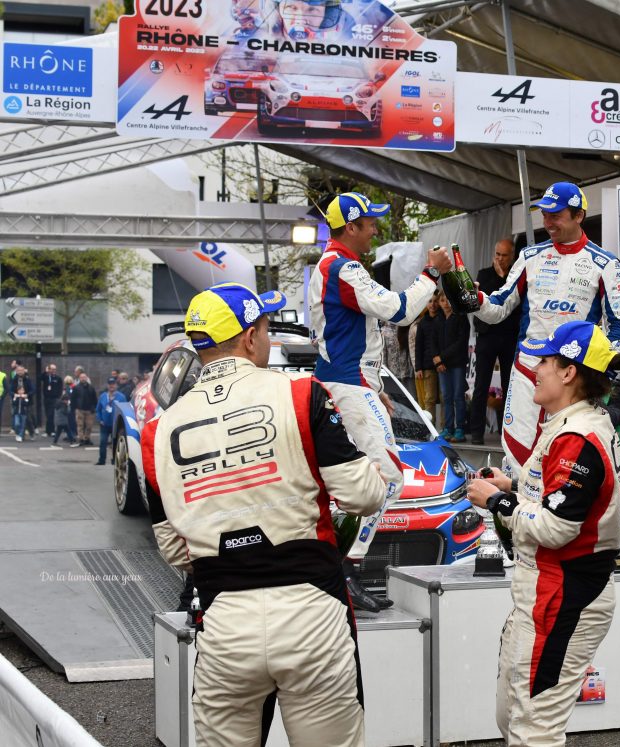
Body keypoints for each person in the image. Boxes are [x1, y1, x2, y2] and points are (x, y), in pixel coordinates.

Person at [142, 282, 387, 747]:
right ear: (251, 337)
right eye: (265, 328)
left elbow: (173, 547)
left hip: (223, 622)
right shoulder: (301, 394)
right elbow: (363, 497)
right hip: (312, 612)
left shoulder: (158, 431)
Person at [467, 321, 620, 747]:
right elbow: (554, 498)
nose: (534, 368)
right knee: (513, 719)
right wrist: (512, 488)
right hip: (547, 591)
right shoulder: (572, 422)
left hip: (565, 594)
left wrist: (498, 503)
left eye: (545, 359)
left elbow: (557, 527)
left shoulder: (579, 434)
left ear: (569, 372)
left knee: (533, 731)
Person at [308, 191, 452, 611]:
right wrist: (431, 273)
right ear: (350, 226)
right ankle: (343, 569)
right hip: (346, 383)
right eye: (370, 221)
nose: (376, 228)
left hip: (354, 382)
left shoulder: (333, 265)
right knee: (386, 477)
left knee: (367, 479)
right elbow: (401, 311)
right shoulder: (343, 267)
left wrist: (375, 386)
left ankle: (338, 567)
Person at [471, 182, 620, 475]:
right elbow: (498, 307)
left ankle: (558, 518)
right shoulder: (529, 256)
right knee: (518, 457)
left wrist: (596, 370)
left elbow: (619, 328)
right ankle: (516, 515)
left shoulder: (605, 263)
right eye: (544, 214)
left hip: (573, 376)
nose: (548, 222)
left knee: (566, 459)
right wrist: (475, 299)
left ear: (578, 215)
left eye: (556, 214)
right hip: (528, 370)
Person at [468, 238, 520, 445]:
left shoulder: (516, 277)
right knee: (481, 386)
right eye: (497, 254)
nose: (499, 258)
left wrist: (504, 277)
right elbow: (485, 297)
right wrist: (499, 277)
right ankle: (477, 434)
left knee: (509, 387)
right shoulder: (484, 274)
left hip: (508, 336)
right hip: (487, 336)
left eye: (504, 255)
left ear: (512, 256)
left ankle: (506, 432)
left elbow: (514, 302)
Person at [432, 293, 470, 442]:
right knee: (446, 397)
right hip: (443, 366)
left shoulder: (461, 318)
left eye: (448, 299)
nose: (446, 303)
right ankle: (448, 428)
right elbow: (432, 342)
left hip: (457, 364)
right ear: (440, 303)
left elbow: (461, 343)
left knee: (458, 396)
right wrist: (438, 361)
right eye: (442, 300)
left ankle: (460, 428)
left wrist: (442, 357)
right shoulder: (438, 320)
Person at [411, 292, 441, 428]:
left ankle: (445, 427)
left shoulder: (443, 319)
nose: (433, 305)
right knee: (429, 398)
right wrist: (418, 368)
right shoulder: (422, 322)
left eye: (435, 301)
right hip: (427, 365)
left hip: (444, 363)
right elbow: (418, 346)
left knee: (444, 397)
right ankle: (431, 427)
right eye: (430, 301)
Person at [94, 377, 127, 466]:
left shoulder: (121, 397)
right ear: (108, 385)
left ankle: (114, 460)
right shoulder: (103, 396)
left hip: (115, 424)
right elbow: (98, 409)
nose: (111, 386)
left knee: (115, 443)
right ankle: (101, 460)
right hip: (104, 424)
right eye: (110, 384)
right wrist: (100, 419)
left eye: (113, 384)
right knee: (102, 442)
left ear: (116, 385)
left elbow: (125, 409)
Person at [69, 372, 97, 447]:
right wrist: (73, 408)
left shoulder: (91, 387)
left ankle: (87, 438)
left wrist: (94, 407)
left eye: (84, 377)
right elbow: (73, 399)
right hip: (79, 409)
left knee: (89, 425)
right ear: (79, 378)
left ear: (87, 378)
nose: (83, 379)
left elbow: (94, 398)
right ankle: (81, 439)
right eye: (81, 377)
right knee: (80, 425)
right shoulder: (76, 388)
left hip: (89, 410)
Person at [41, 364, 62, 437]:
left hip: (54, 399)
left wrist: (58, 397)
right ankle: (48, 431)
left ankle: (51, 430)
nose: (53, 371)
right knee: (48, 415)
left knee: (51, 414)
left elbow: (60, 388)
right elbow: (40, 378)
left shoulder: (58, 378)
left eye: (54, 369)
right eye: (51, 369)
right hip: (47, 398)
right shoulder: (46, 377)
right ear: (49, 369)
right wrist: (45, 372)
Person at [52, 377, 74, 445]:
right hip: (63, 421)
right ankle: (72, 441)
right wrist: (69, 406)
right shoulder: (64, 405)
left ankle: (55, 442)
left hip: (59, 421)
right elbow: (66, 412)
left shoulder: (58, 403)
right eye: (67, 400)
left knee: (59, 432)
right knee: (68, 431)